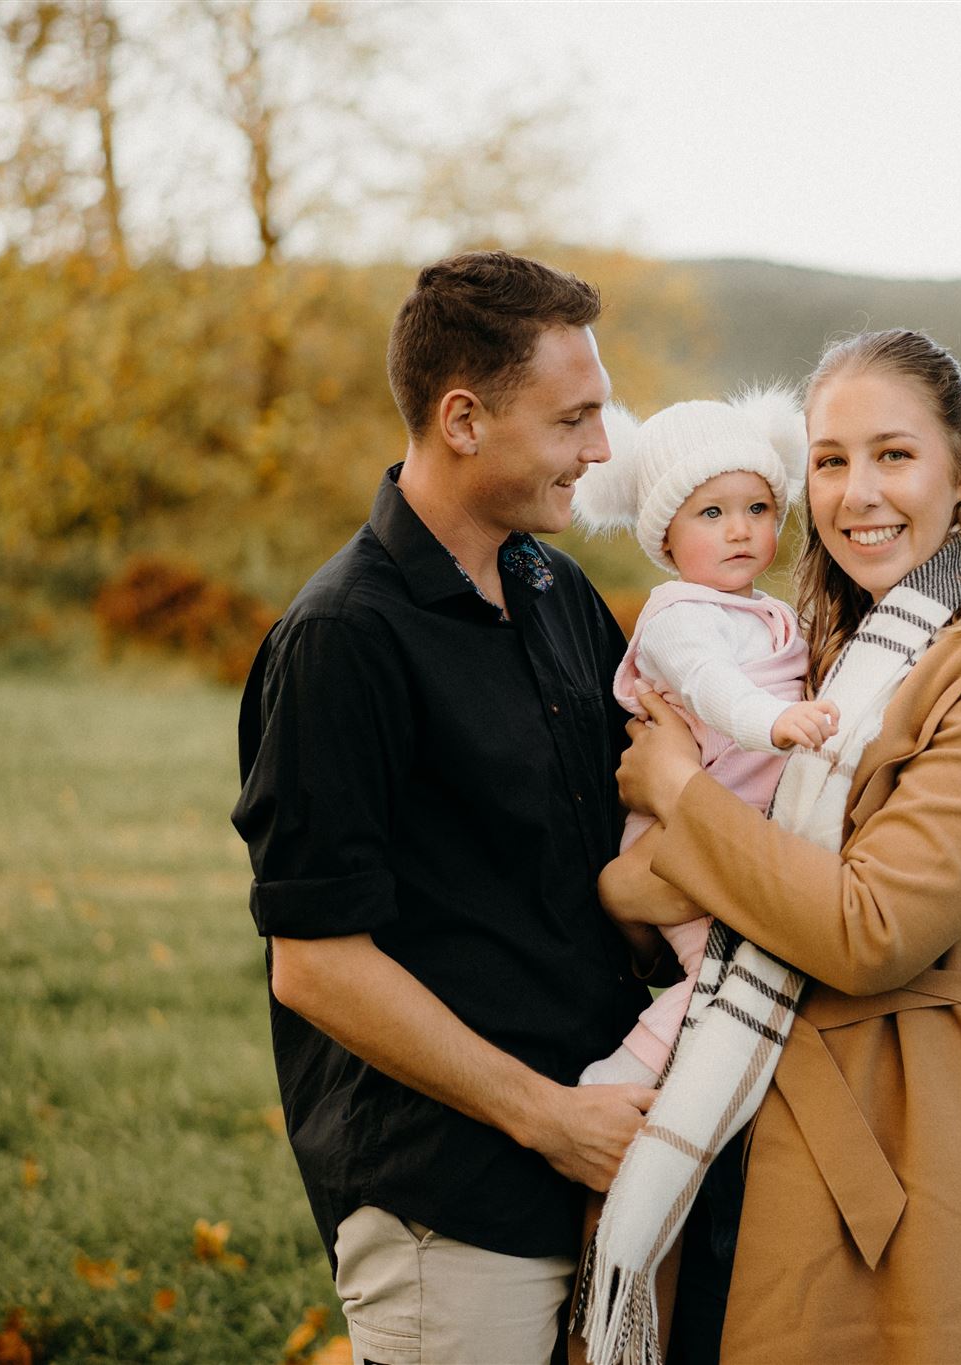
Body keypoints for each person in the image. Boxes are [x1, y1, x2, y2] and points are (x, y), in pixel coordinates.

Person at [604, 329, 961, 1363]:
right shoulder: (809, 664)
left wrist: (675, 791)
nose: (856, 492)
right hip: (730, 1109)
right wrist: (651, 873)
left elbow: (870, 929)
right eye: (829, 461)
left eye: (892, 455)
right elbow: (653, 900)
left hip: (910, 1131)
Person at [230, 251, 659, 1365]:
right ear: (462, 419)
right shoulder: (343, 640)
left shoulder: (555, 590)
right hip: (448, 1199)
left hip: (600, 1161)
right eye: (573, 419)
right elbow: (315, 963)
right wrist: (545, 1120)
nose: (600, 449)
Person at [568, 389, 839, 1088]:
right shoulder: (678, 617)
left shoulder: (771, 614)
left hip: (729, 825)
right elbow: (709, 682)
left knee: (751, 971)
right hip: (674, 833)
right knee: (718, 976)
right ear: (665, 536)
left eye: (757, 509)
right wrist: (771, 722)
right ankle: (624, 1074)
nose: (740, 530)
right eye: (711, 513)